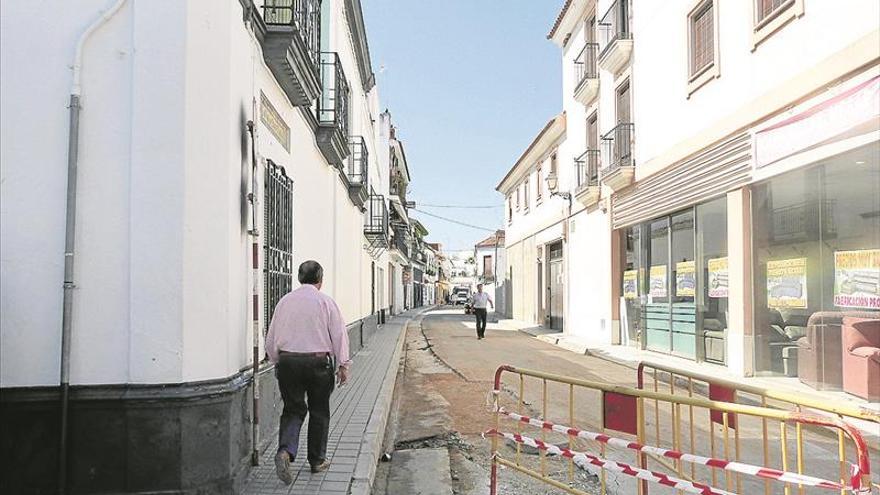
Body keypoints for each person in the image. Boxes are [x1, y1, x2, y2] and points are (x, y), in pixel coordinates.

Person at [265, 260, 351, 484]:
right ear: (320, 281)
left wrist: (277, 361)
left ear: (299, 278)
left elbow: (272, 337)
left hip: (288, 362)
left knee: (293, 409)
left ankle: (285, 451)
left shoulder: (284, 302)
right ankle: (316, 460)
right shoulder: (326, 302)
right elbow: (339, 334)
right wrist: (343, 364)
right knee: (319, 411)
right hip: (318, 363)